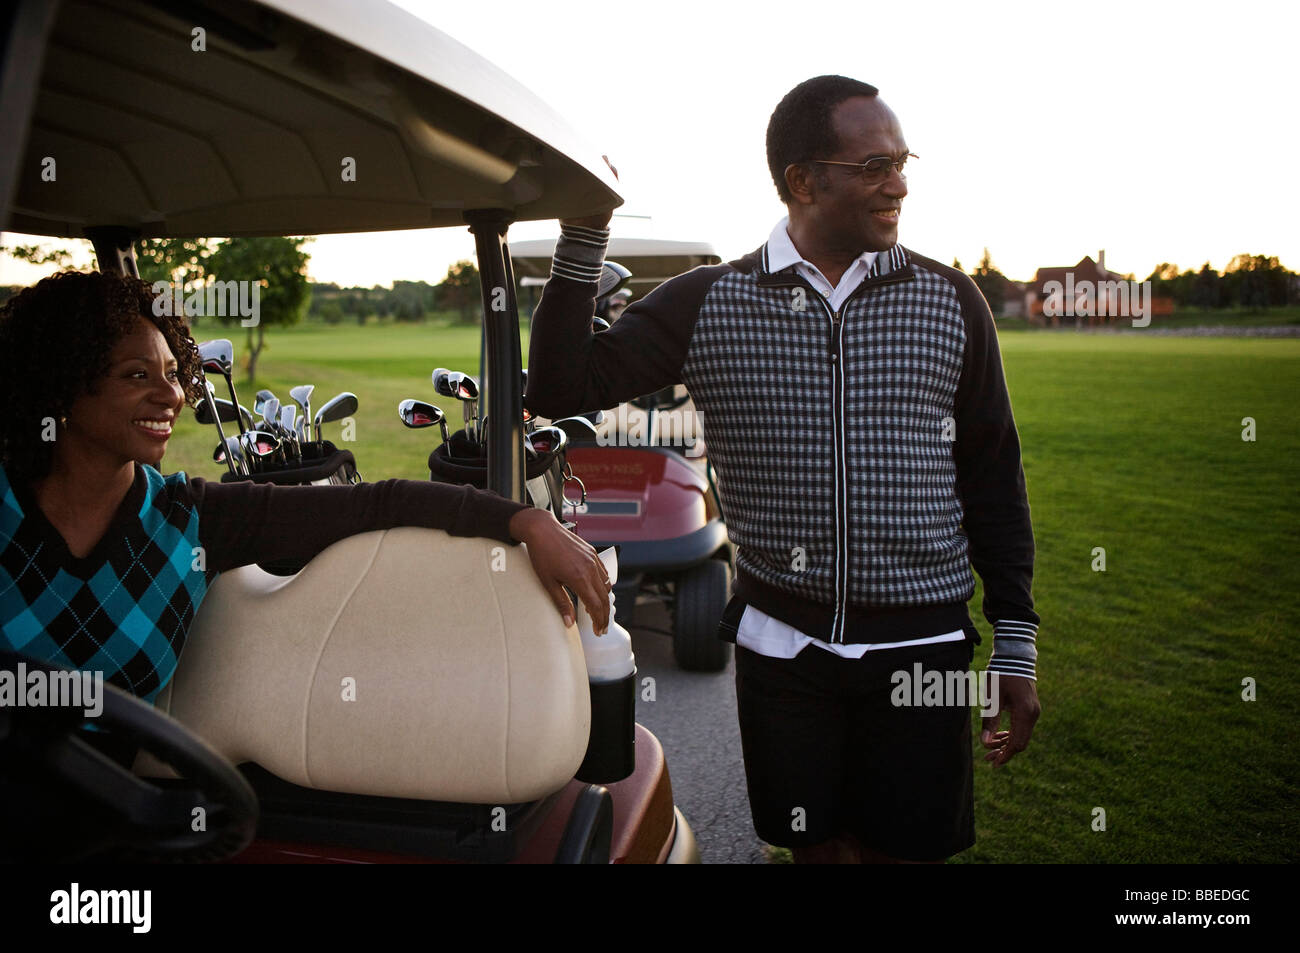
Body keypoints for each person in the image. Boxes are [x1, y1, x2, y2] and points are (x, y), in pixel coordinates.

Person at [525, 75, 1041, 863]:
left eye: (903, 162)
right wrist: (583, 238)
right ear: (803, 180)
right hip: (781, 648)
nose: (898, 184)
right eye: (874, 166)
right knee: (816, 850)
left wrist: (1015, 642)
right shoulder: (709, 301)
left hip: (922, 643)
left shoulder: (951, 300)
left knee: (909, 851)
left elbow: (993, 474)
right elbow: (562, 388)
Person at [0, 271, 610, 706]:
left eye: (173, 374)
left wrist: (526, 521)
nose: (174, 396)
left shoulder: (192, 520)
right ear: (61, 385)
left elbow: (380, 502)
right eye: (138, 376)